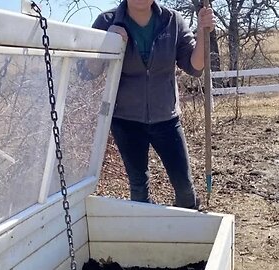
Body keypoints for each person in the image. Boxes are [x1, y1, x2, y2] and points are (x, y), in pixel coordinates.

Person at [90, 0, 215, 209]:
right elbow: (89, 72)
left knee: (184, 188)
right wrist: (107, 42)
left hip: (167, 119)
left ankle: (185, 236)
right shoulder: (107, 21)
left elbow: (194, 66)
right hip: (125, 121)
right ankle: (147, 236)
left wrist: (203, 32)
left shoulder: (172, 21)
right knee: (139, 188)